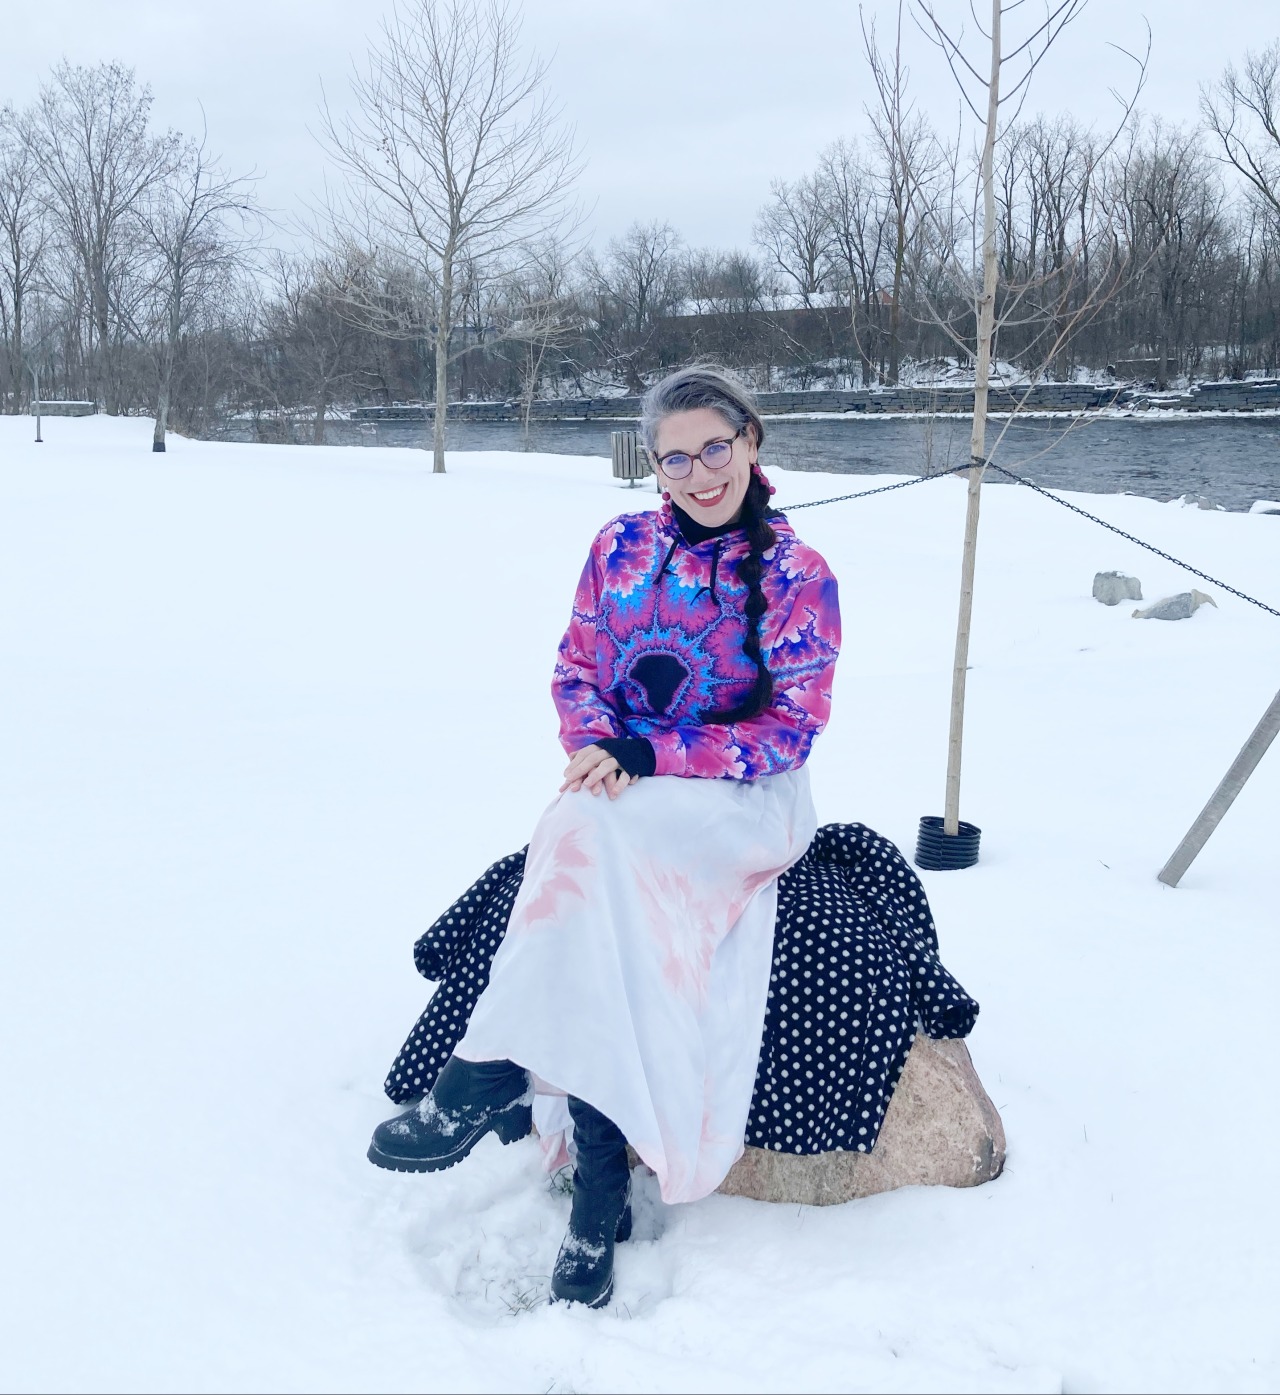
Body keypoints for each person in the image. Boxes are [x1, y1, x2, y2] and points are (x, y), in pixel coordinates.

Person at [366, 365, 841, 1308]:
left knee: (587, 836)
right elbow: (576, 668)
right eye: (676, 459)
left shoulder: (799, 575)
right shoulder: (620, 547)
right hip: (623, 788)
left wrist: (648, 751)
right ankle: (596, 1193)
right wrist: (596, 749)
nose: (701, 473)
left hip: (745, 793)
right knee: (589, 840)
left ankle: (487, 1072)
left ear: (751, 440)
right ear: (652, 466)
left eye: (716, 447)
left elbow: (792, 728)